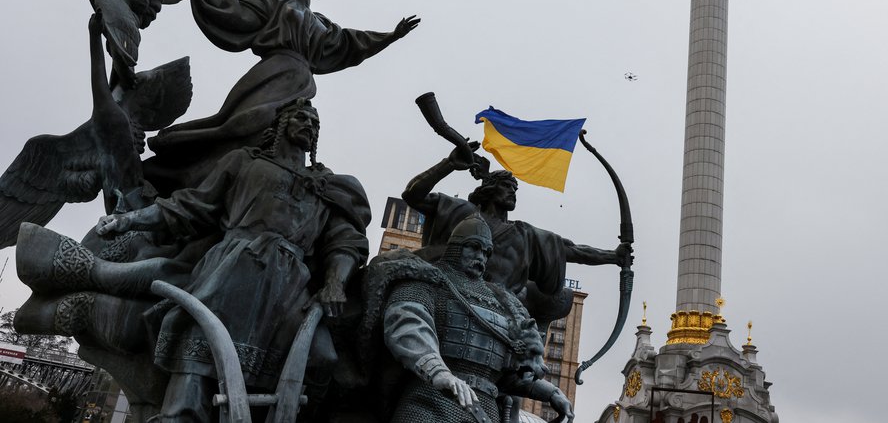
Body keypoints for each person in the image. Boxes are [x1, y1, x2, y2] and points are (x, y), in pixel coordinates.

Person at [98, 98, 371, 422]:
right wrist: (129, 220)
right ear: (281, 125)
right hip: (233, 265)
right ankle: (181, 414)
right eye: (302, 117)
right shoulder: (244, 162)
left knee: (321, 355)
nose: (310, 124)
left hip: (290, 283)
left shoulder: (327, 185)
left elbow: (345, 241)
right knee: (203, 335)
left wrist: (335, 282)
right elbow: (188, 206)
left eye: (315, 122)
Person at [145, 0, 420, 189]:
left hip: (301, 83)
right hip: (273, 71)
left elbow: (350, 43)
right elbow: (231, 11)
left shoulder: (321, 22)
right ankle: (174, 157)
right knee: (239, 125)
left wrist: (391, 36)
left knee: (271, 136)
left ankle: (247, 185)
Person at [376, 215, 574, 423]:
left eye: (486, 252)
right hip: (429, 403)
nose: (481, 256)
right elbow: (408, 325)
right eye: (474, 247)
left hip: (484, 411)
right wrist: (438, 372)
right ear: (455, 246)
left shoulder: (502, 301)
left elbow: (505, 373)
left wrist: (549, 392)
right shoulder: (427, 281)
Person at [402, 147, 625, 331]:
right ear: (489, 189)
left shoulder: (525, 235)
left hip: (496, 318)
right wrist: (449, 164)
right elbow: (413, 194)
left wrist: (613, 256)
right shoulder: (462, 211)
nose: (512, 192)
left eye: (515, 189)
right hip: (446, 302)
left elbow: (573, 250)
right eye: (506, 186)